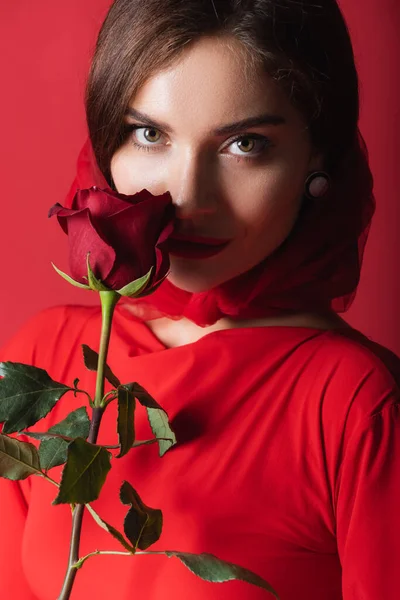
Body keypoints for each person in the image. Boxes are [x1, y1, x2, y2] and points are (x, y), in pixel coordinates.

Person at [1, 0, 400, 598]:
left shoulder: (354, 406)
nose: (185, 195)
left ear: (318, 156)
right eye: (150, 133)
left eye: (246, 144)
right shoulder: (45, 356)